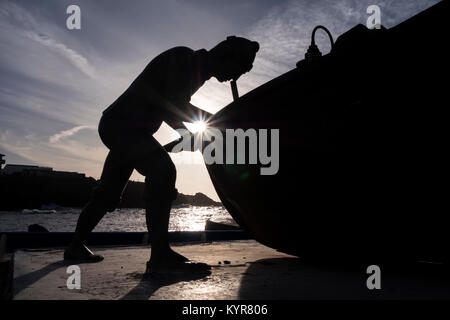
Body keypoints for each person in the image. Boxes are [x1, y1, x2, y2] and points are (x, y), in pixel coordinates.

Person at [64, 36, 259, 273]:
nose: (233, 78)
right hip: (124, 127)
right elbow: (170, 102)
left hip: (129, 129)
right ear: (227, 56)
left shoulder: (196, 72)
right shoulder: (184, 58)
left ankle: (75, 245)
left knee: (107, 194)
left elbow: (168, 106)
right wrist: (220, 122)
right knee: (163, 171)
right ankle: (160, 257)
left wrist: (185, 133)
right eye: (236, 70)